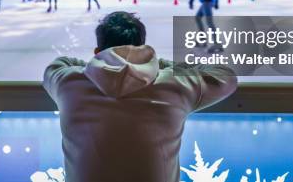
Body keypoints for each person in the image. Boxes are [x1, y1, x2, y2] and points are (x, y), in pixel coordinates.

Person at [43, 12, 237, 182]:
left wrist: (96, 65)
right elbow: (226, 76)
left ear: (97, 52)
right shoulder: (176, 84)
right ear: (143, 49)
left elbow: (59, 64)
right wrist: (158, 64)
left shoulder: (68, 83)